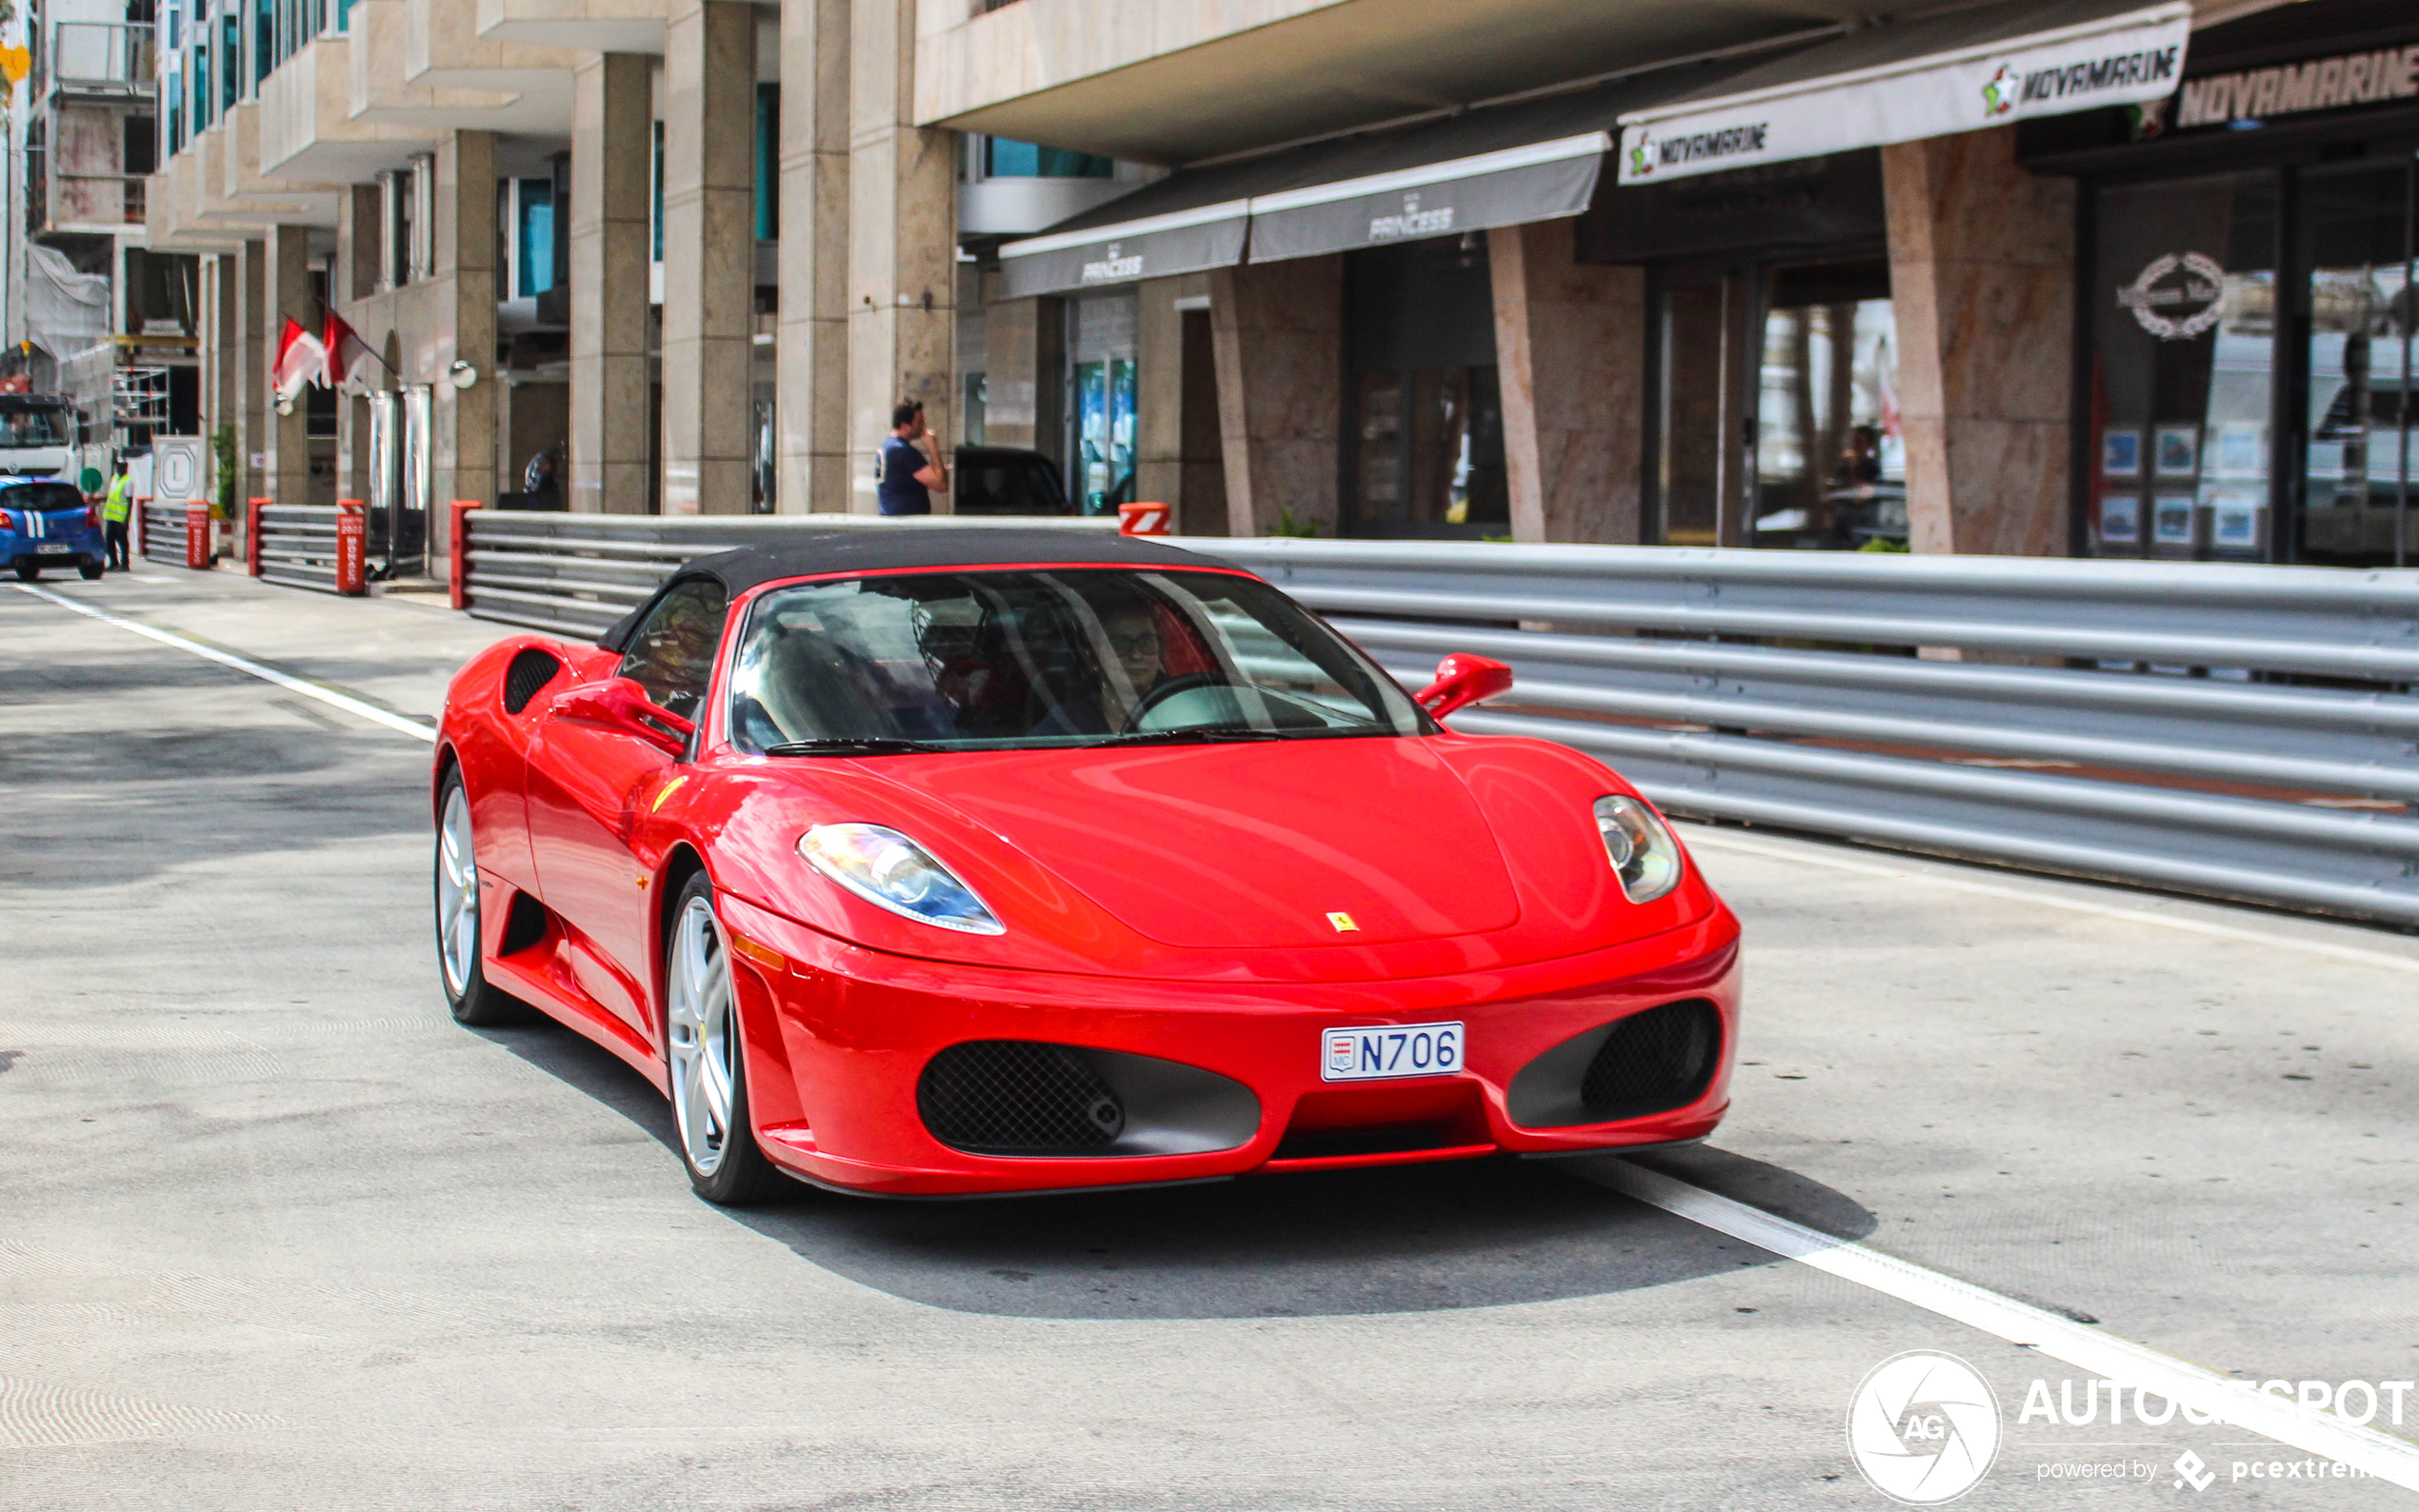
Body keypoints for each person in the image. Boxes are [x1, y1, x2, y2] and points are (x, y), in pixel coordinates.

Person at [875, 399, 949, 516]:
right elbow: (941, 485)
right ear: (905, 426)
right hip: (907, 522)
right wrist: (933, 448)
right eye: (919, 422)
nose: (923, 426)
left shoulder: (886, 446)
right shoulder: (904, 452)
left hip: (891, 516)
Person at [101, 460, 131, 572]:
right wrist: (99, 500)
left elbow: (129, 501)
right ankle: (113, 562)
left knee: (122, 541)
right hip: (111, 516)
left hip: (120, 518)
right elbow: (111, 497)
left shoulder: (127, 482)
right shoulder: (114, 479)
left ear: (125, 468)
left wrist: (126, 519)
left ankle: (125, 564)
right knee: (109, 540)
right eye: (117, 466)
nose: (118, 468)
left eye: (121, 466)